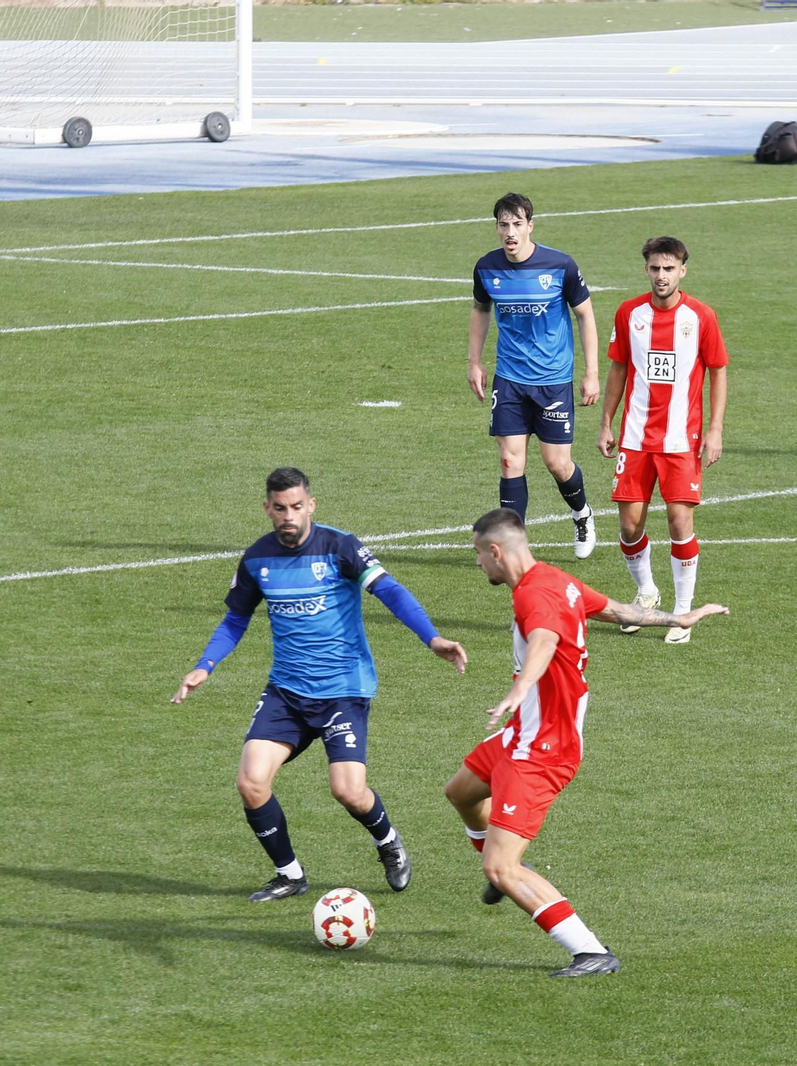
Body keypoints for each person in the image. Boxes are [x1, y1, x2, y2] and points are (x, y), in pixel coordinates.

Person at [443, 508, 728, 977]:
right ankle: (502, 859)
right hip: (527, 734)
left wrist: (518, 689)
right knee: (462, 791)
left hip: (542, 750)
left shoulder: (533, 596)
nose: (477, 564)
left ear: (496, 551)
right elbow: (618, 610)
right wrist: (680, 618)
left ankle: (589, 950)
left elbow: (544, 641)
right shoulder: (560, 580)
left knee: (502, 868)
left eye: (478, 554)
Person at [172, 467, 468, 902]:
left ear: (311, 504)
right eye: (279, 508)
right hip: (287, 693)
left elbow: (390, 591)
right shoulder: (257, 559)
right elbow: (236, 618)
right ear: (267, 509)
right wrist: (206, 665)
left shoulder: (340, 547)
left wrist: (433, 637)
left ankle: (387, 841)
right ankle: (289, 874)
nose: (288, 516)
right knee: (251, 782)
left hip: (343, 690)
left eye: (296, 506)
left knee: (348, 791)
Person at [596, 236, 729, 645]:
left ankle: (683, 613)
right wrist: (606, 423)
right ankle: (647, 593)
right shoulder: (629, 313)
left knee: (679, 522)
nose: (661, 276)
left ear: (682, 270)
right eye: (655, 268)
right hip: (636, 438)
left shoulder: (701, 317)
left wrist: (715, 430)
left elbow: (718, 371)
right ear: (646, 270)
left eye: (668, 269)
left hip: (680, 440)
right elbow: (618, 369)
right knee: (630, 525)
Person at [467, 192, 601, 558]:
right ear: (496, 228)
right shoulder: (486, 268)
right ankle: (513, 546)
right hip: (509, 378)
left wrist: (591, 373)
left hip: (553, 379)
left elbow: (585, 315)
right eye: (503, 225)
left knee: (558, 463)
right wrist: (474, 361)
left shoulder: (560, 266)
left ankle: (582, 514)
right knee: (511, 460)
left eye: (516, 224)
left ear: (530, 226)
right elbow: (480, 309)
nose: (510, 232)